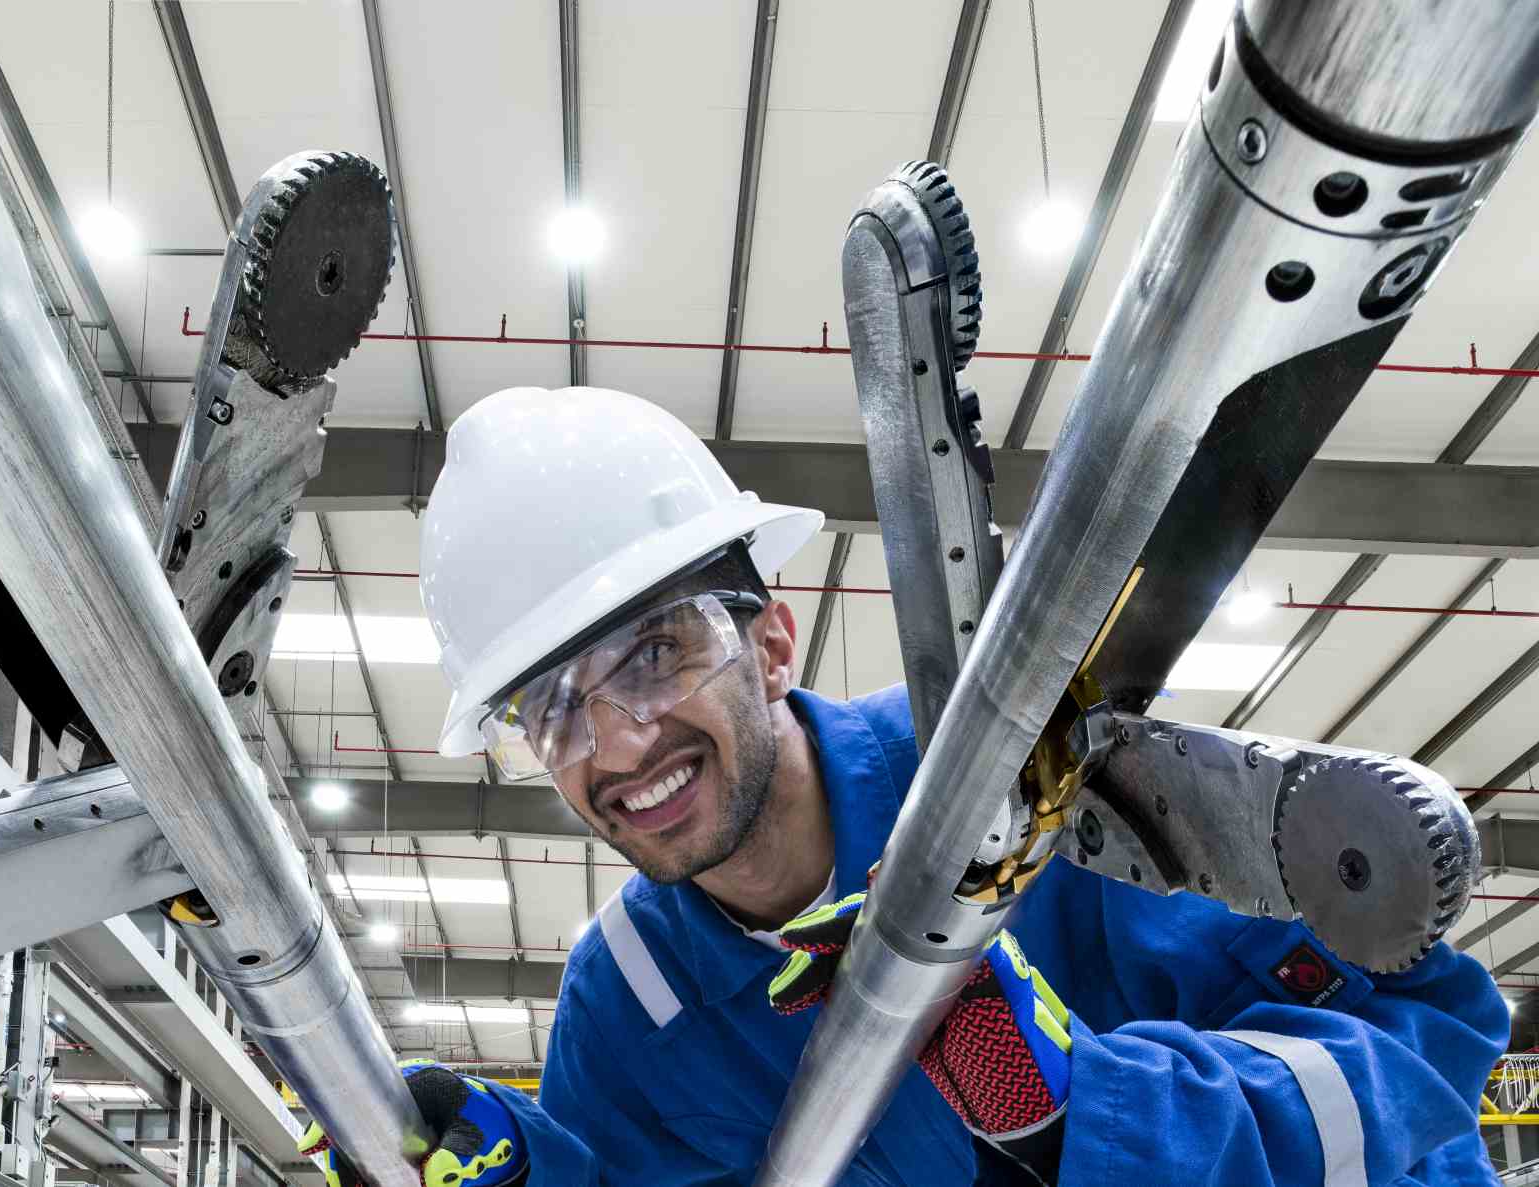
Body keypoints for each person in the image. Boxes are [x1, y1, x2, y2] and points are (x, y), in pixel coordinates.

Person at [300, 386, 1506, 1186]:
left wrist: (1088, 1111)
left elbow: (1426, 1042)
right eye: (551, 709)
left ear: (772, 639)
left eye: (655, 651)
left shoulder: (1036, 798)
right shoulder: (631, 1004)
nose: (616, 744)